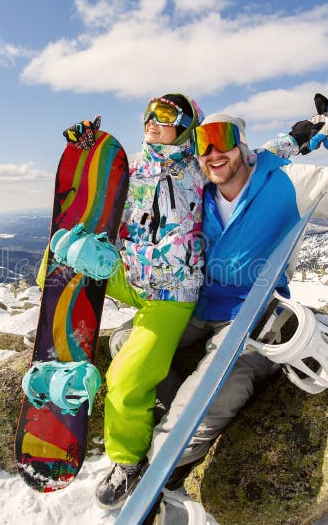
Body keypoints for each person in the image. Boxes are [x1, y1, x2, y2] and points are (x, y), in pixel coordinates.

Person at [141, 94, 328, 487]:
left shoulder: (287, 181)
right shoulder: (197, 192)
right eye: (201, 145)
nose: (212, 153)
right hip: (197, 309)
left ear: (242, 145)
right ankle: (179, 413)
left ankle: (163, 463)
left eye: (222, 139)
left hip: (250, 316)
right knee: (127, 343)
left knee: (210, 394)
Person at [40, 94, 208, 509]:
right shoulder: (133, 167)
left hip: (172, 292)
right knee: (60, 253)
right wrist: (88, 154)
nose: (153, 120)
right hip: (130, 276)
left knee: (124, 380)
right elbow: (95, 199)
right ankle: (54, 319)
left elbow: (183, 248)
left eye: (166, 115)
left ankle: (127, 461)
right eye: (150, 113)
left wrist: (313, 135)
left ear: (186, 125)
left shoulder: (200, 168)